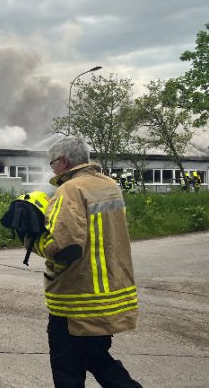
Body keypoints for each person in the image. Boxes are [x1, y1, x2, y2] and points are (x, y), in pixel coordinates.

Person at [38, 136, 140, 387]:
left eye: (53, 163)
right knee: (97, 359)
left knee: (68, 373)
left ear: (63, 161)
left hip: (77, 304)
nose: (52, 169)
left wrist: (35, 242)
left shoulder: (70, 190)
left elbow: (66, 246)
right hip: (109, 299)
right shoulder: (109, 185)